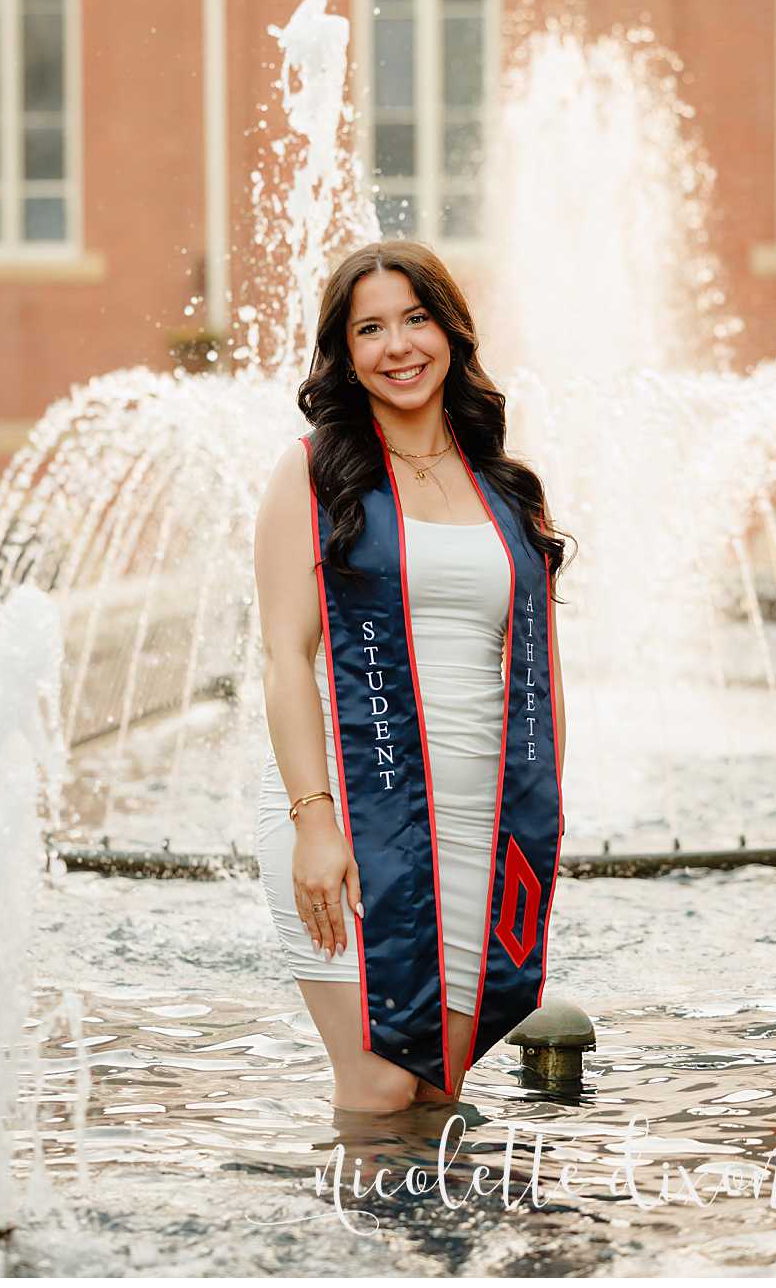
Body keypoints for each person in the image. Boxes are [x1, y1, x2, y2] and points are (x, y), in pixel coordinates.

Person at [251, 240, 572, 1114]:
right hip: (354, 813)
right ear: (345, 355)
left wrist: (542, 822)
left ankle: (428, 1253)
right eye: (370, 328)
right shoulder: (318, 475)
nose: (398, 346)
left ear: (451, 332)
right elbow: (286, 656)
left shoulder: (507, 492)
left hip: (480, 827)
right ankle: (351, 1245)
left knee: (440, 1084)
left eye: (415, 319)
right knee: (382, 1083)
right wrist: (314, 825)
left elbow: (540, 674)